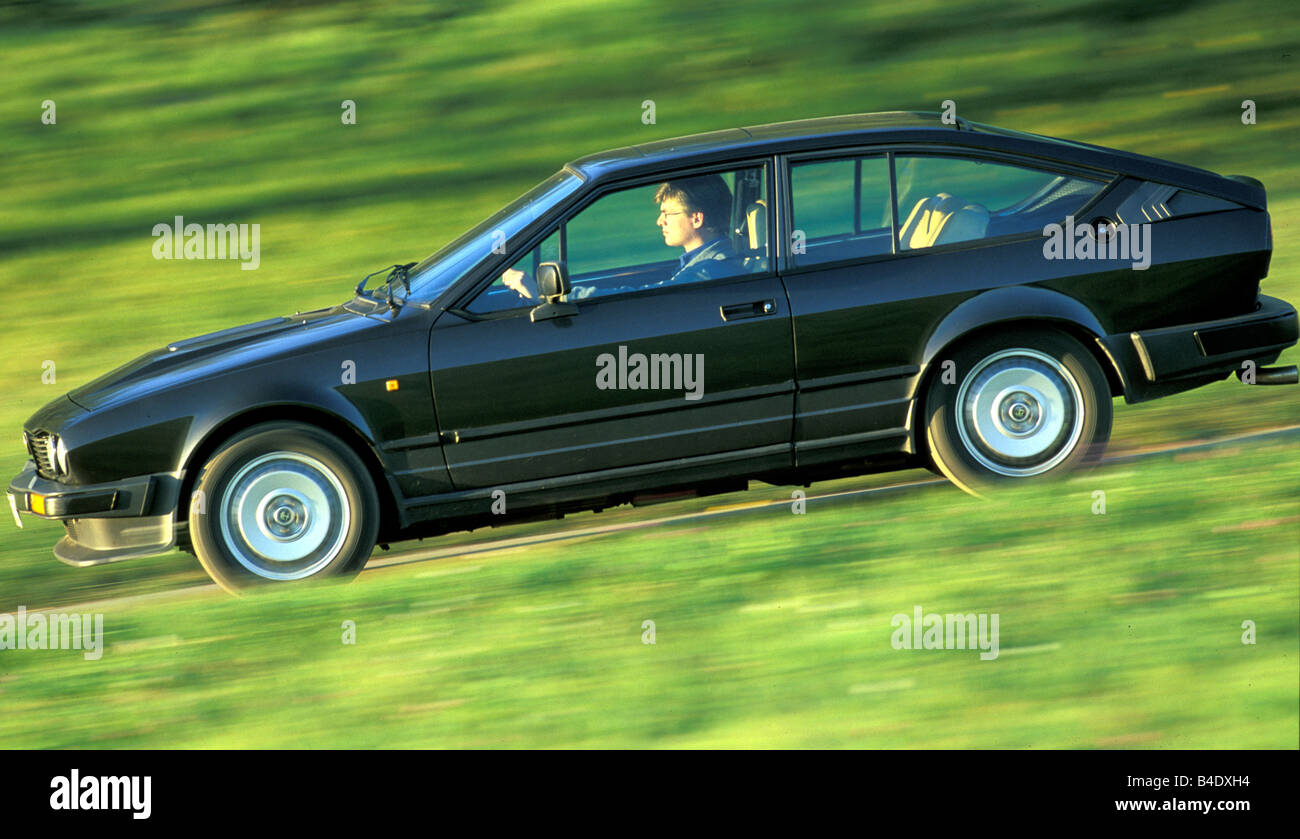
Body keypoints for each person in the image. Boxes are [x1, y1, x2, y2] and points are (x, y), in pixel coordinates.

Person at [498, 174, 740, 303]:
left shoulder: (709, 270)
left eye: (667, 214)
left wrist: (548, 296)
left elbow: (639, 298)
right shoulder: (701, 264)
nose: (659, 221)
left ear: (697, 219)